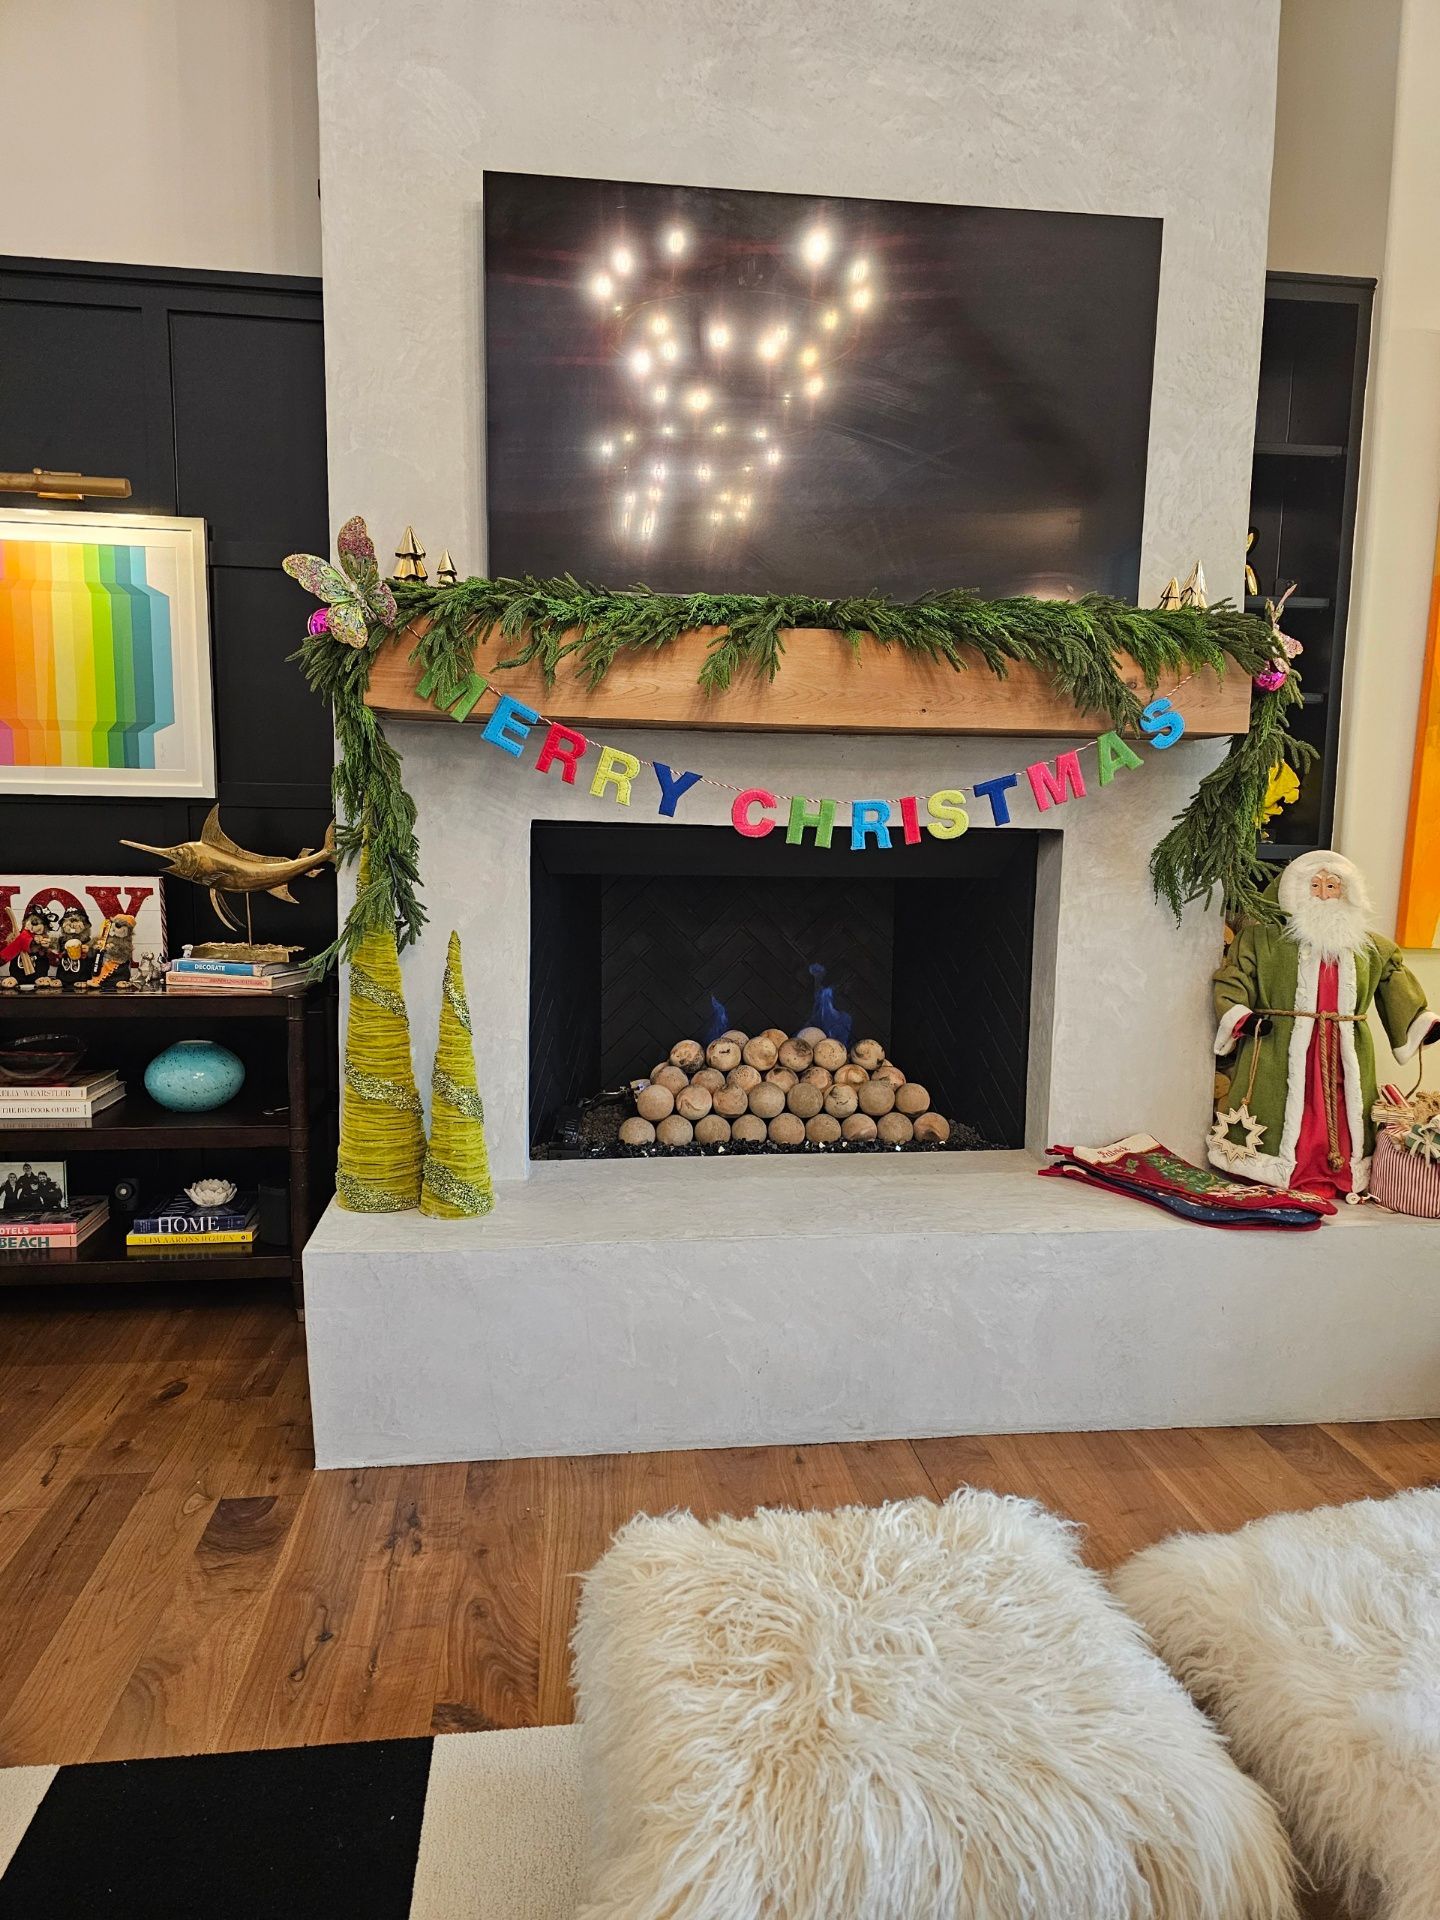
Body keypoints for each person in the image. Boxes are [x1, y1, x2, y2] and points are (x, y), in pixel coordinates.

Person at [1210, 850, 1440, 1196]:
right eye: (1314, 885)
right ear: (1294, 891)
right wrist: (1241, 1015)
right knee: (1282, 1103)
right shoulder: (1262, 940)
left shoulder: (1371, 947)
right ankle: (1270, 1170)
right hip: (1280, 1043)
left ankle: (1337, 1172)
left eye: (1332, 885)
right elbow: (1234, 977)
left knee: (1343, 1108)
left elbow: (1394, 980)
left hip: (1344, 1047)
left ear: (1347, 892)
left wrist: (1419, 1022)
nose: (1323, 893)